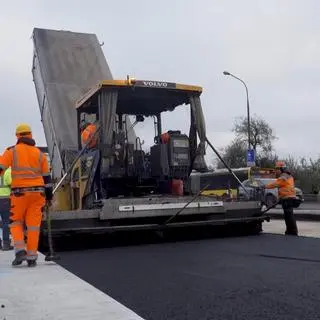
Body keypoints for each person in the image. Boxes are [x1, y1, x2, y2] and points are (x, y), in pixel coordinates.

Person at [0, 123, 53, 267]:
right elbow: (47, 179)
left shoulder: (12, 151)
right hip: (38, 195)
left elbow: (0, 168)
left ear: (17, 136)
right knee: (33, 226)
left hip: (20, 194)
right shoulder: (40, 154)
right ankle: (32, 257)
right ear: (30, 135)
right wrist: (49, 196)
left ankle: (19, 251)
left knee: (15, 221)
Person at [264, 162, 298, 236]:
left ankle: (292, 231)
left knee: (289, 215)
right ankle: (290, 231)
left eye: (277, 169)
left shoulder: (284, 177)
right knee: (288, 215)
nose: (276, 171)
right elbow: (283, 187)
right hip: (289, 197)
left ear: (281, 169)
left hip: (287, 198)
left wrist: (265, 186)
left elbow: (276, 184)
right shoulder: (288, 175)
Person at [0, 167, 13, 251]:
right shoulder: (7, 171)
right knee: (5, 222)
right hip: (4, 199)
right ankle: (6, 244)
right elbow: (11, 183)